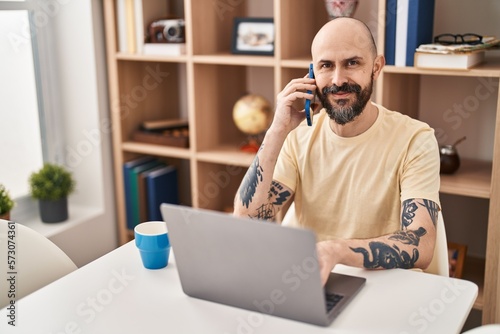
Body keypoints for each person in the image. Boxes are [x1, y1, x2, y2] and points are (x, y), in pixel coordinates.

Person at [233, 17, 441, 285]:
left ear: (376, 67)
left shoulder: (416, 138)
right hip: (301, 281)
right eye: (326, 66)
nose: (338, 80)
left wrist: (335, 252)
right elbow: (246, 220)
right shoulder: (298, 134)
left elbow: (421, 244)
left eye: (352, 63)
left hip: (379, 286)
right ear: (312, 73)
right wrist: (276, 130)